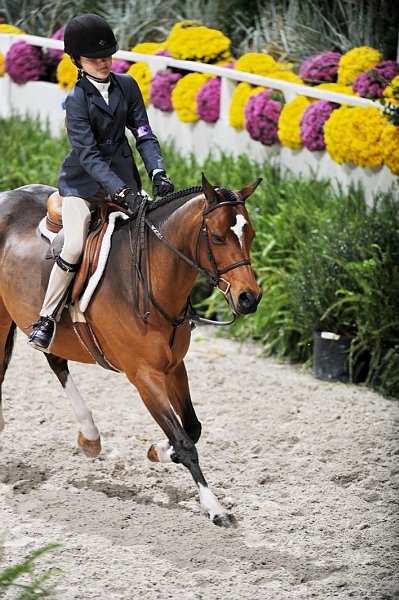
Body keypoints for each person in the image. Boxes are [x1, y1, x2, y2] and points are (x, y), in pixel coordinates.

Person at [27, 13, 174, 352]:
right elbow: (89, 155)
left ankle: (166, 308)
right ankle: (47, 318)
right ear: (78, 61)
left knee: (154, 237)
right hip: (83, 186)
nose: (104, 62)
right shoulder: (77, 99)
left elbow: (144, 134)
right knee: (76, 245)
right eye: (95, 58)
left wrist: (157, 174)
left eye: (107, 56)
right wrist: (122, 191)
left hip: (125, 180)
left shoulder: (128, 86)